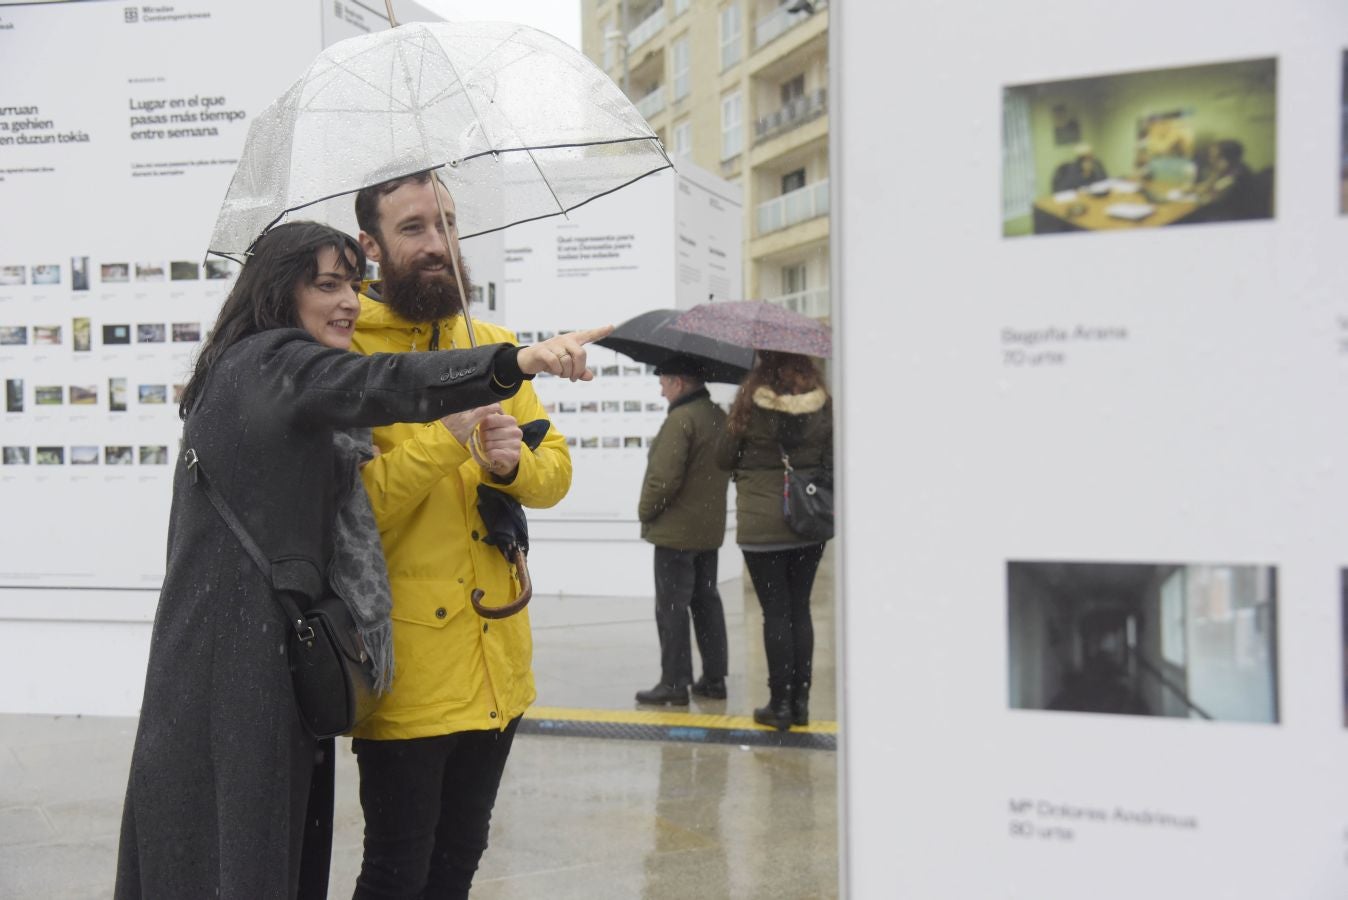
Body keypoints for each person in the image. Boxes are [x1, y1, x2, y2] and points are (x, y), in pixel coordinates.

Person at [113, 221, 605, 900]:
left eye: (352, 284)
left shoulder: (262, 364)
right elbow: (385, 385)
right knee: (244, 862)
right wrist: (511, 364)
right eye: (327, 284)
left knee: (253, 858)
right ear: (278, 290)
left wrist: (505, 453)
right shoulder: (275, 363)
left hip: (262, 652)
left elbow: (541, 469)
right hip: (235, 668)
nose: (347, 300)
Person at [348, 172, 573, 899]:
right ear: (370, 245)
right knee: (395, 871)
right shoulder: (348, 357)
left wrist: (512, 466)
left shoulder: (495, 346)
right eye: (413, 227)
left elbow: (556, 473)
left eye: (446, 222)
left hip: (498, 659)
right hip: (407, 669)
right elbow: (352, 513)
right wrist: (446, 439)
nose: (438, 242)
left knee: (458, 864)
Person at [717, 350, 832, 731]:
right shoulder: (822, 403)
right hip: (809, 519)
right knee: (800, 609)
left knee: (776, 612)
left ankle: (778, 703)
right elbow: (833, 459)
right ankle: (800, 703)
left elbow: (723, 457)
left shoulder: (751, 400)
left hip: (762, 525)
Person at [634, 355, 732, 706]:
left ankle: (675, 683)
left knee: (672, 607)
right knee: (707, 602)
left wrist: (644, 511)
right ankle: (715, 679)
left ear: (678, 383)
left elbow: (664, 479)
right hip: (708, 530)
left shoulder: (681, 420)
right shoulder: (719, 416)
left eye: (663, 383)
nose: (661, 392)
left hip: (676, 533)